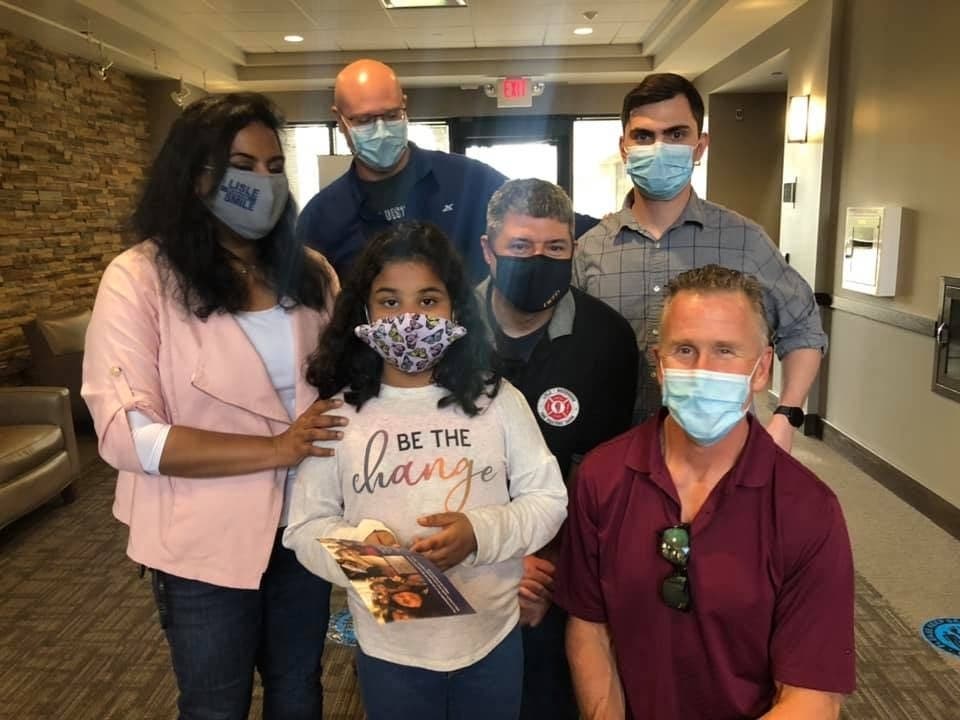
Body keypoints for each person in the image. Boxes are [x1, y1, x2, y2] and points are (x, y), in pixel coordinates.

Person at [81, 93, 346, 720]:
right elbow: (129, 435)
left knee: (299, 690)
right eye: (241, 166)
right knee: (214, 704)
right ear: (194, 175)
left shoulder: (310, 273)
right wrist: (276, 448)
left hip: (304, 523)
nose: (263, 182)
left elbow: (346, 386)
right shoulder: (140, 277)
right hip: (200, 538)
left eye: (274, 167)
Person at [282, 221, 568, 720]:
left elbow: (548, 500)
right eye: (389, 301)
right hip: (391, 649)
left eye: (429, 300)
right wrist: (366, 561)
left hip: (491, 637)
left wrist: (479, 534)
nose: (409, 317)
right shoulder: (339, 416)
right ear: (364, 311)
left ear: (456, 308)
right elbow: (305, 526)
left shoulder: (498, 401)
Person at [555, 265, 855, 720]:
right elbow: (589, 630)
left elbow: (813, 697)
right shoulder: (602, 477)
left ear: (761, 369)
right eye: (684, 350)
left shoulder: (808, 509)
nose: (702, 371)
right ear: (659, 365)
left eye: (725, 351)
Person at [573, 73, 828, 452]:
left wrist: (787, 415)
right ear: (624, 148)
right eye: (644, 136)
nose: (659, 147)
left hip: (723, 454)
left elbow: (803, 327)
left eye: (676, 134)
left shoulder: (745, 240)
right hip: (619, 452)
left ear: (700, 146)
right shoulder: (589, 250)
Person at [476, 178, 638, 720]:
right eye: (521, 246)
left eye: (555, 248)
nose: (537, 260)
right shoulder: (446, 329)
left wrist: (545, 567)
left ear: (573, 250)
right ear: (489, 251)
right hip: (464, 560)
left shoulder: (607, 340)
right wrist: (502, 564)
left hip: (556, 571)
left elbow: (604, 479)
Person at [296, 59, 598, 284]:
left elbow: (547, 221)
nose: (380, 130)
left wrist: (613, 229)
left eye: (390, 115)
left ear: (404, 106)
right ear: (340, 121)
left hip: (472, 347)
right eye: (363, 121)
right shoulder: (321, 217)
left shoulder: (467, 180)